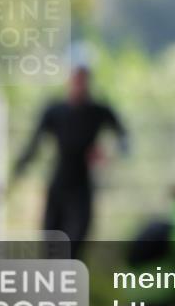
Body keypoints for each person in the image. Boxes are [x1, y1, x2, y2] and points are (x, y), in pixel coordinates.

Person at [14, 65, 128, 259]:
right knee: (51, 245)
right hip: (58, 184)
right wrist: (17, 171)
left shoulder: (98, 112)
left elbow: (124, 138)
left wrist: (108, 153)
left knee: (74, 247)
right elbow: (34, 144)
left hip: (82, 188)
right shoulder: (55, 111)